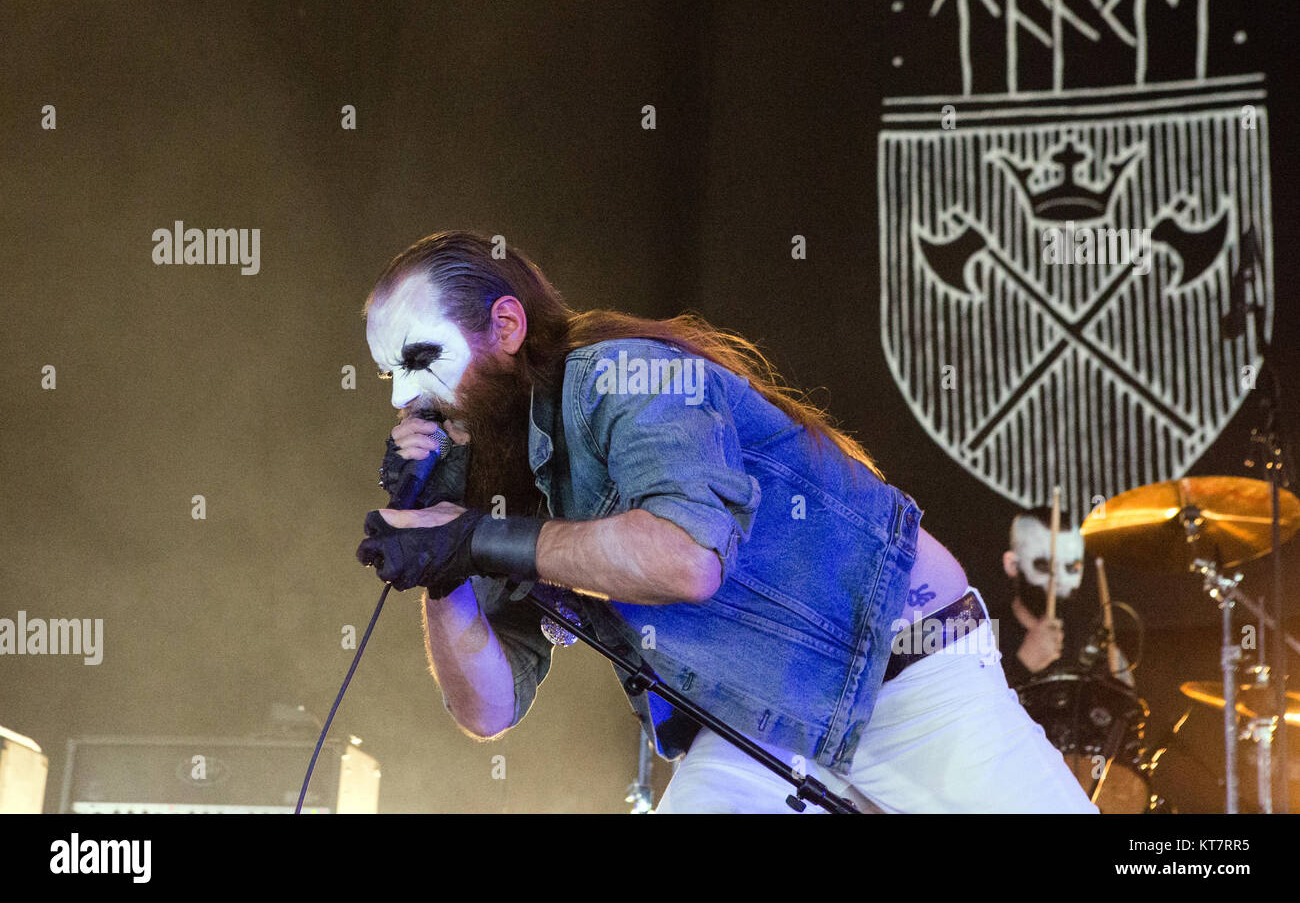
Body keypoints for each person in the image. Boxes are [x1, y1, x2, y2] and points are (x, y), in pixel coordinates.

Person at [354, 230, 1096, 813]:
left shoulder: (622, 378)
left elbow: (685, 559)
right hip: (752, 727)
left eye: (423, 358)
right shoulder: (492, 481)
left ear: (506, 326)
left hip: (898, 678)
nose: (404, 398)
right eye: (391, 372)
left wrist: (475, 539)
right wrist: (440, 562)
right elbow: (488, 709)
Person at [989, 509, 1134, 690]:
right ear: (1012, 564)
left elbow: (1123, 710)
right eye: (1044, 566)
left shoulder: (1091, 636)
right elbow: (957, 709)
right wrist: (1021, 666)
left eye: (1071, 567)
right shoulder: (979, 631)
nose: (1059, 580)